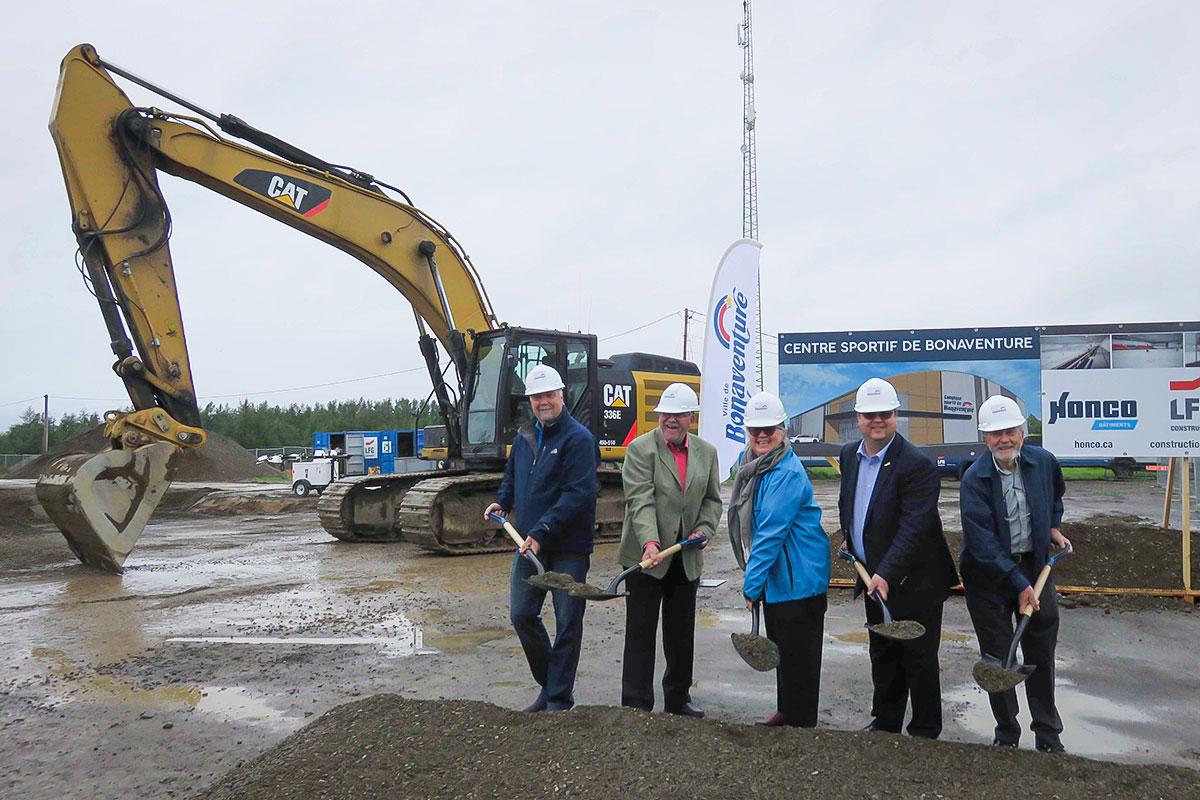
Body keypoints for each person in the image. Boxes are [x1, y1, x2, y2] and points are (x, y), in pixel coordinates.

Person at [837, 377, 958, 739]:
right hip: (873, 575)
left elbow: (915, 526)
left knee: (918, 658)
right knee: (883, 652)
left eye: (885, 414)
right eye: (870, 415)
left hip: (915, 579)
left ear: (895, 416)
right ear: (858, 418)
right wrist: (850, 535)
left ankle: (924, 729)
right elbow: (852, 503)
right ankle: (886, 721)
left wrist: (887, 572)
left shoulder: (916, 464)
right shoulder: (849, 456)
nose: (878, 421)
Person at [960, 394, 1072, 753]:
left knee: (1040, 651)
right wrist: (1020, 584)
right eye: (995, 434)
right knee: (998, 658)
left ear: (1022, 431)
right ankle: (1006, 732)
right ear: (984, 438)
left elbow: (1056, 495)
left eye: (1009, 431)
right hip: (989, 576)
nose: (1003, 439)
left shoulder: (1043, 462)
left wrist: (1053, 527)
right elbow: (982, 544)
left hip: (1035, 568)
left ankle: (1048, 734)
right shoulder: (974, 478)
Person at [484, 364, 599, 712]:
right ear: (531, 401)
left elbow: (577, 495)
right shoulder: (525, 437)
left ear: (561, 396)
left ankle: (559, 699)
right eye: (537, 397)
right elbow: (513, 476)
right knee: (522, 614)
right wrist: (502, 500)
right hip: (529, 546)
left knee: (567, 623)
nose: (543, 402)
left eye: (549, 395)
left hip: (567, 548)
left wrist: (541, 532)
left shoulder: (579, 439)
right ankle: (551, 685)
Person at [617, 383, 722, 718]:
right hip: (646, 558)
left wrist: (705, 528)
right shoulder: (640, 450)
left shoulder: (707, 452)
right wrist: (650, 542)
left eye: (678, 415)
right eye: (665, 414)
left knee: (681, 634)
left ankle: (677, 699)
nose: (670, 420)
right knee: (640, 632)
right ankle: (636, 703)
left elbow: (712, 500)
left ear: (691, 417)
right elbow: (640, 500)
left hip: (685, 556)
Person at [729, 391, 831, 728]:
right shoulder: (757, 468)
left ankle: (801, 724)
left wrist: (751, 584)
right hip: (781, 581)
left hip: (798, 581)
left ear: (782, 429)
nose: (761, 435)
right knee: (784, 652)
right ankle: (787, 710)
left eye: (769, 429)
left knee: (799, 658)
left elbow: (771, 533)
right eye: (755, 429)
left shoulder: (785, 473)